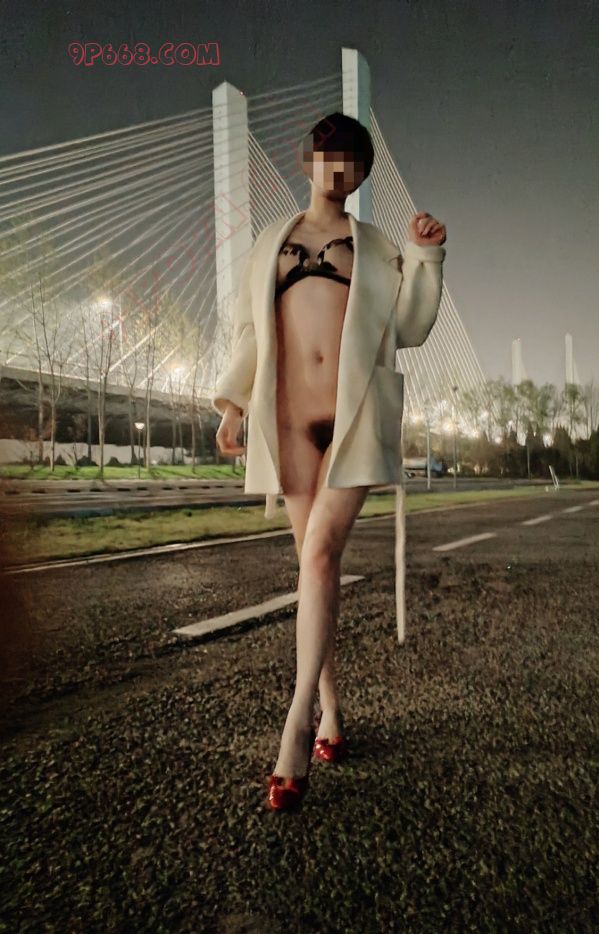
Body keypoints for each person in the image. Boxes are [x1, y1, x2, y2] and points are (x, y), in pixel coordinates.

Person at [213, 112, 447, 811]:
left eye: (352, 161)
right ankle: (332, 712)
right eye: (328, 156)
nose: (338, 170)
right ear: (307, 162)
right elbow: (251, 332)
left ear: (364, 174)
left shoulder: (377, 247)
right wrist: (232, 404)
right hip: (287, 421)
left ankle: (295, 727)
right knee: (316, 570)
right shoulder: (269, 242)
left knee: (318, 559)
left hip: (353, 420)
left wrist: (426, 256)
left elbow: (409, 327)